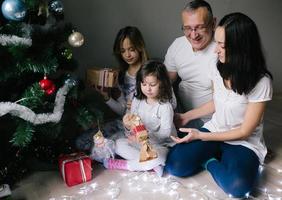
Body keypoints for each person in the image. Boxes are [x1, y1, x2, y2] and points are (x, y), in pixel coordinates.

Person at [165, 12, 273, 198]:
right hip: (215, 129)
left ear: (241, 48)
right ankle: (213, 155)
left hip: (243, 142)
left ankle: (210, 161)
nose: (216, 50)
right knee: (175, 165)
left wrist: (201, 136)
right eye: (217, 43)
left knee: (238, 188)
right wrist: (187, 116)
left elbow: (244, 132)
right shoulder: (218, 66)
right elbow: (217, 101)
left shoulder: (261, 82)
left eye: (222, 45)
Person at [103, 60, 177, 177]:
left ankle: (126, 165)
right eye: (144, 84)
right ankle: (151, 165)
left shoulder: (165, 106)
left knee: (158, 157)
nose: (148, 89)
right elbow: (132, 129)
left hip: (160, 145)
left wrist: (145, 135)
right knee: (118, 144)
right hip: (141, 144)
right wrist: (127, 126)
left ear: (162, 84)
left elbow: (165, 134)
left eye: (152, 85)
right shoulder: (137, 101)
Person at [164, 0, 217, 128]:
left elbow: (224, 101)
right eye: (187, 28)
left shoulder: (221, 50)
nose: (193, 35)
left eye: (200, 27)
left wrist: (187, 117)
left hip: (212, 120)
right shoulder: (178, 44)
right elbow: (165, 81)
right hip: (182, 114)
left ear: (213, 24)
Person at [97, 26, 148, 115]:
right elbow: (123, 111)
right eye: (123, 51)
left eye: (131, 49)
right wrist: (106, 97)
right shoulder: (120, 76)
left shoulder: (153, 70)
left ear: (140, 46)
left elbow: (171, 102)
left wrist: (140, 106)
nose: (127, 55)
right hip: (128, 124)